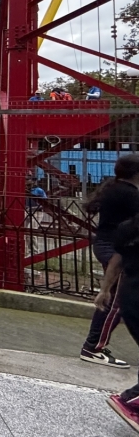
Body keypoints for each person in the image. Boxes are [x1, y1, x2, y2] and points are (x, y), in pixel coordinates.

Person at [80, 154, 139, 368]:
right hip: (115, 248)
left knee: (119, 298)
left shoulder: (114, 188)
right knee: (116, 301)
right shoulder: (130, 194)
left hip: (106, 244)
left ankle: (94, 345)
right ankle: (93, 346)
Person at [102, 204, 139, 431]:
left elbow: (116, 260)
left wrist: (105, 289)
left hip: (130, 295)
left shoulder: (129, 229)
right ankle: (131, 402)